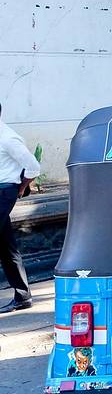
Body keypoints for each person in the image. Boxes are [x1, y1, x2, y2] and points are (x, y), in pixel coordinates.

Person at [0, 103, 41, 313]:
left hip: (5, 190)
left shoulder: (8, 138)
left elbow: (33, 166)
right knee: (6, 246)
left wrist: (21, 187)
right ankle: (23, 296)